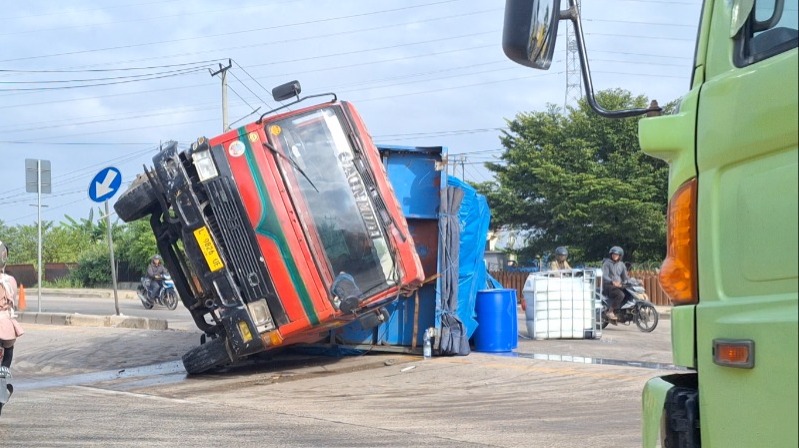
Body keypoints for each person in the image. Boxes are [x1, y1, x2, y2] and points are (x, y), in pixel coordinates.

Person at [0, 240, 24, 376]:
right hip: (7, 322)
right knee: (9, 347)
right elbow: (13, 301)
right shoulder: (11, 281)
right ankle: (5, 367)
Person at [601, 246, 630, 323]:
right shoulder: (607, 264)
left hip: (618, 285)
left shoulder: (622, 265)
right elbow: (604, 276)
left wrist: (635, 281)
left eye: (616, 255)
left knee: (628, 293)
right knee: (620, 295)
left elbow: (625, 277)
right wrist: (612, 282)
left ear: (620, 256)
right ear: (611, 255)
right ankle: (610, 311)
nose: (615, 256)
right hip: (608, 286)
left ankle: (621, 312)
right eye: (613, 254)